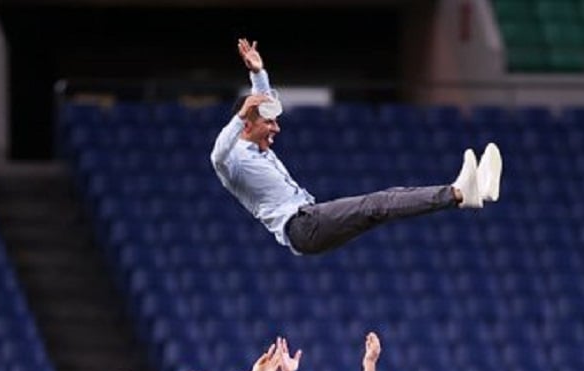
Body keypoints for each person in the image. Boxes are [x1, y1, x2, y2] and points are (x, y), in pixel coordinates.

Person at [211, 39, 503, 255]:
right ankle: (458, 193)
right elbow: (217, 155)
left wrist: (258, 73)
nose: (276, 128)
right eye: (269, 124)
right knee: (377, 204)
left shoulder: (255, 137)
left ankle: (469, 193)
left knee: (387, 199)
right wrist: (240, 114)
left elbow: (261, 105)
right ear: (247, 125)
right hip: (302, 226)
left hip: (310, 221)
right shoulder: (233, 161)